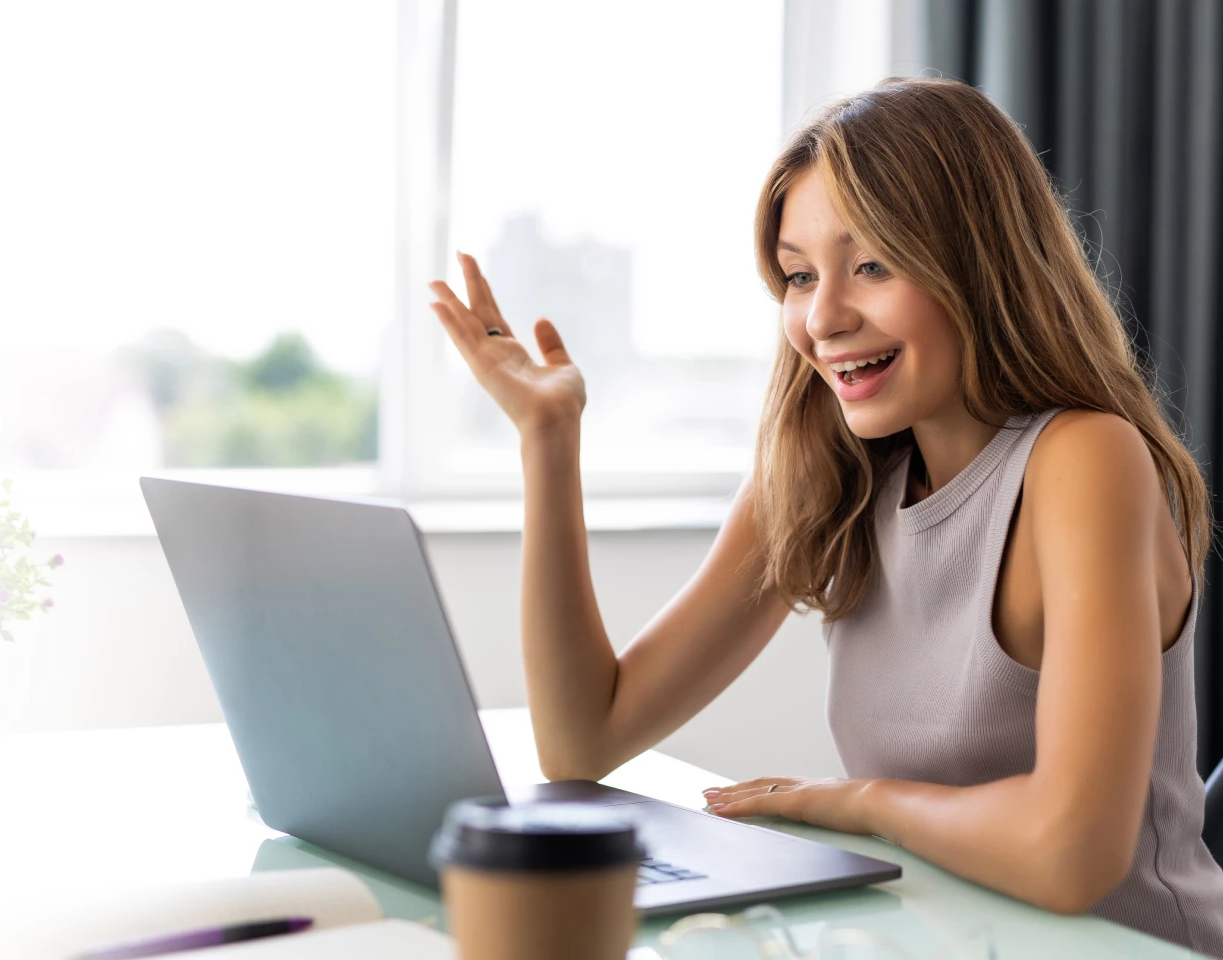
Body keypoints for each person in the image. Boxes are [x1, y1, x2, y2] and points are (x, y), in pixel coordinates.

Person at [428, 77, 1223, 952]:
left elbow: (1073, 855)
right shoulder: (827, 473)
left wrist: (856, 803)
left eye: (872, 264)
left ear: (977, 261)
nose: (823, 318)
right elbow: (583, 740)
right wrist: (549, 438)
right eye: (799, 276)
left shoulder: (1084, 459)